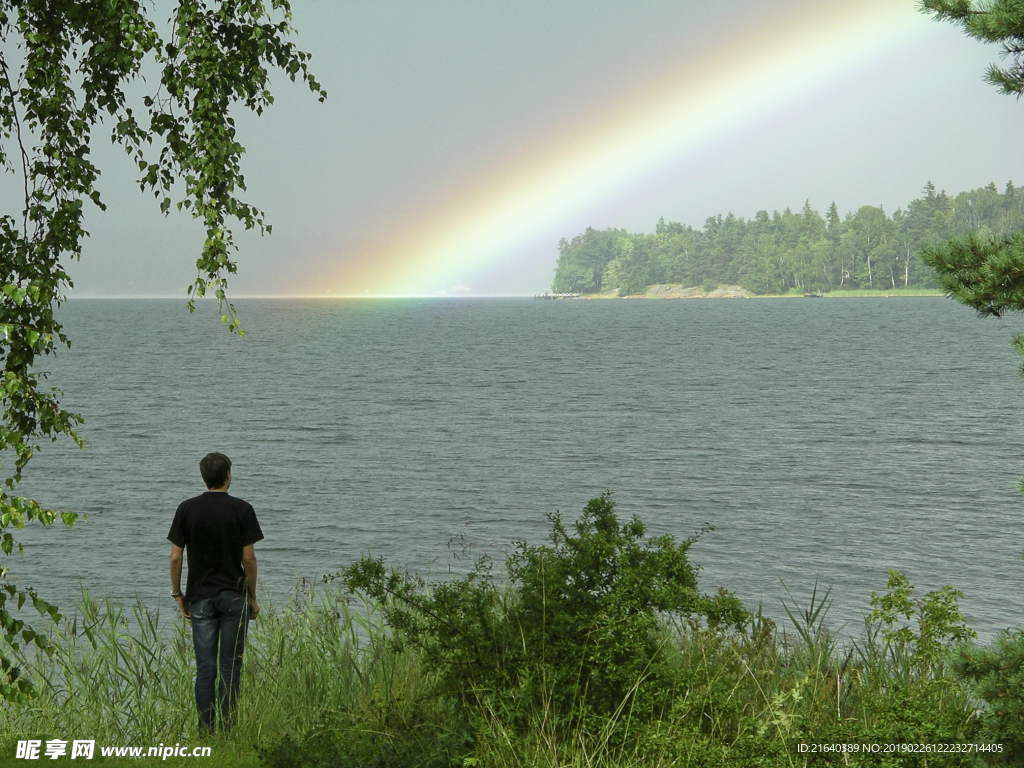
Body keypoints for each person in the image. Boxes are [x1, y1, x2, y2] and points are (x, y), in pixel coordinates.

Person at [168, 452, 263, 733]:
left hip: (200, 597)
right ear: (228, 475)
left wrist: (178, 594)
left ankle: (205, 732)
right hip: (234, 595)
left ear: (203, 476)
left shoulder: (186, 509)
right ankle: (228, 730)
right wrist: (252, 597)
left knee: (206, 669)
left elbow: (175, 557)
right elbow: (249, 559)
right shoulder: (242, 509)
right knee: (230, 668)